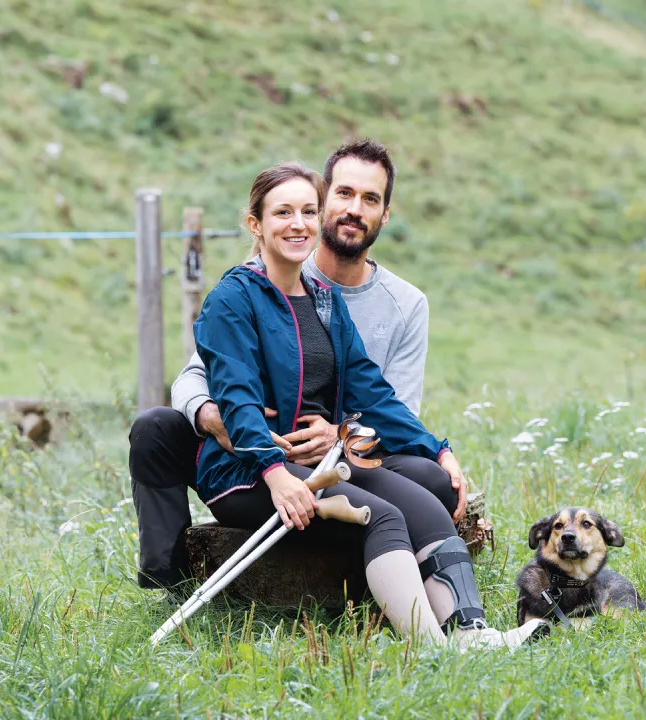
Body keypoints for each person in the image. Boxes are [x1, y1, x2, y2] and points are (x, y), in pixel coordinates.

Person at [186, 161, 547, 649]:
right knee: (383, 516)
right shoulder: (234, 298)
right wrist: (275, 475)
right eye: (283, 212)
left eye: (308, 211)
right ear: (256, 224)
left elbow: (373, 395)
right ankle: (432, 650)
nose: (298, 224)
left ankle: (471, 633)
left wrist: (438, 450)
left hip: (320, 463)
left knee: (424, 507)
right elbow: (236, 399)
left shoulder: (324, 301)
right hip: (247, 474)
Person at [130, 140, 465, 589]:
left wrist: (351, 437)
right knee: (155, 426)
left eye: (370, 199)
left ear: (385, 213)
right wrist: (223, 423)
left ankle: (447, 618)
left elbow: (389, 404)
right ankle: (170, 578)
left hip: (347, 451)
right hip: (255, 446)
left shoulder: (392, 305)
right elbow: (206, 377)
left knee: (431, 483)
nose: (354, 209)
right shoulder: (250, 288)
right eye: (344, 194)